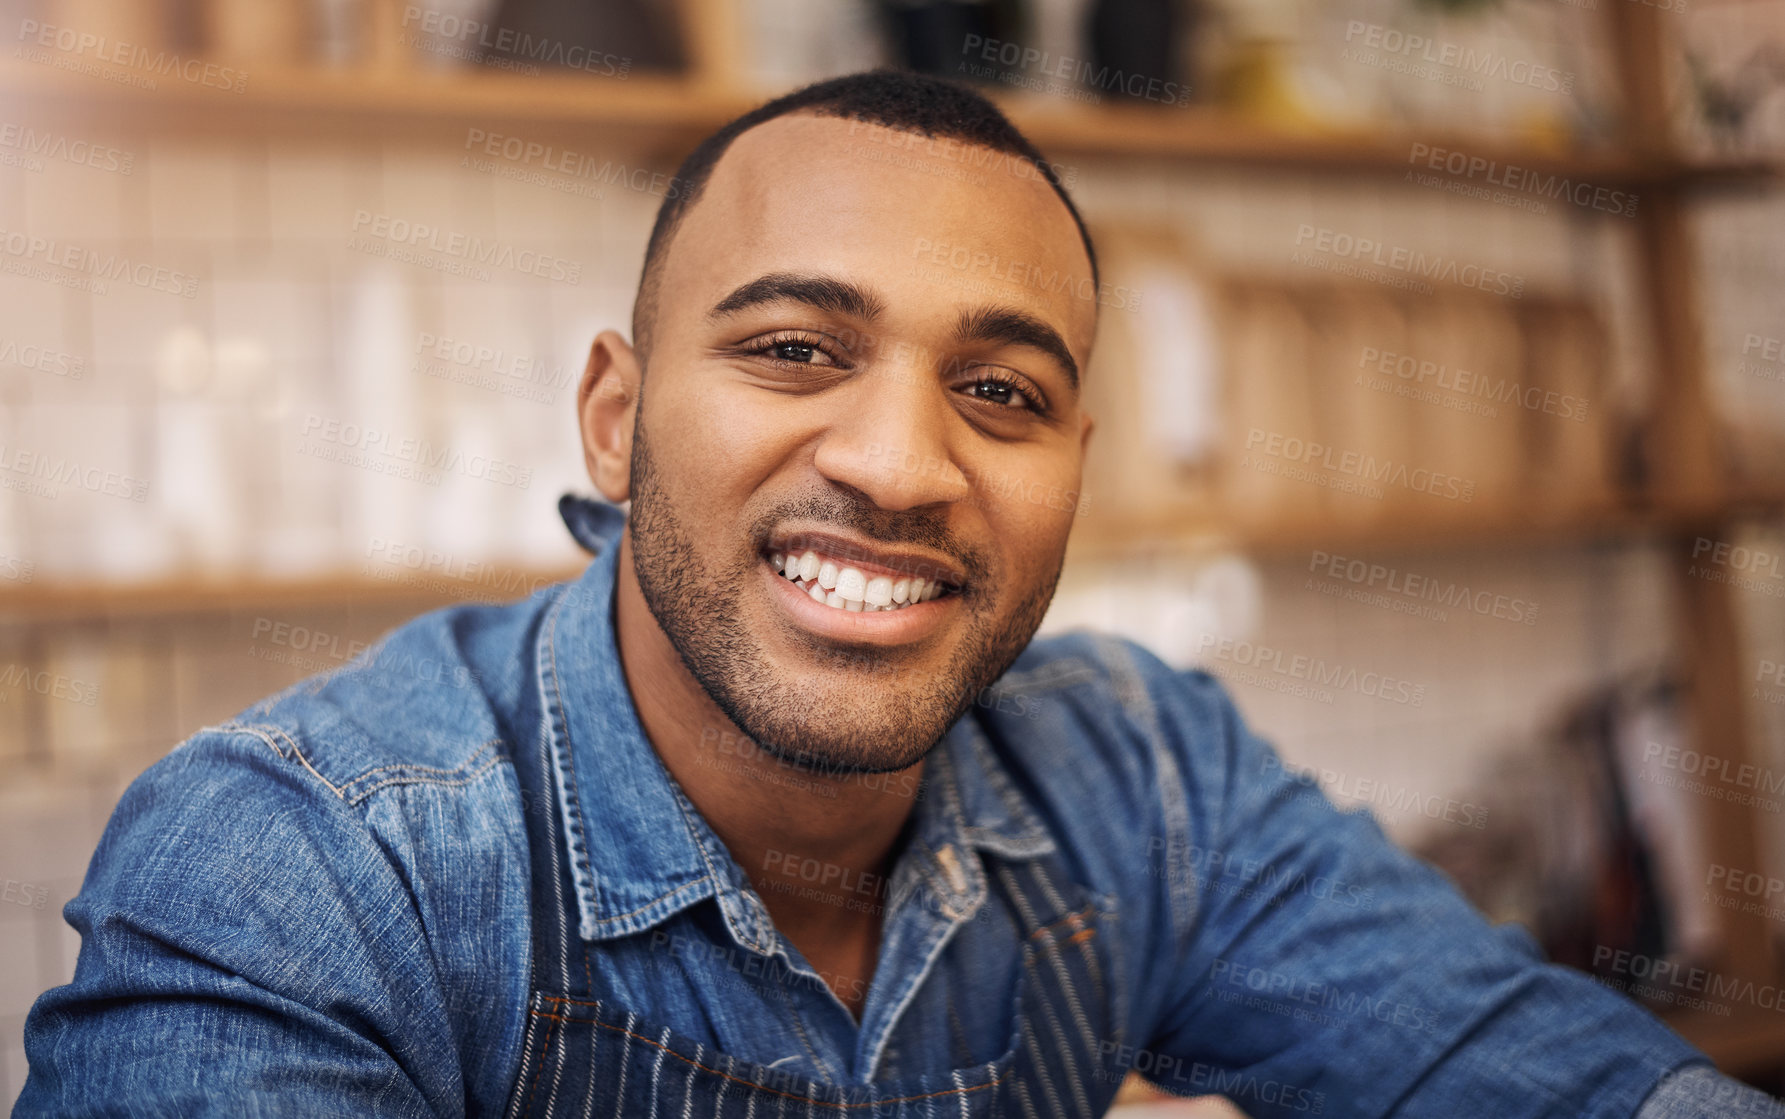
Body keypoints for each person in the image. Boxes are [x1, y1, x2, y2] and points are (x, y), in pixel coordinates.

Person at [17, 70, 1781, 1118]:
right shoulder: (306, 867)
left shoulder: (1139, 779)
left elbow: (1546, 1076)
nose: (901, 463)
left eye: (1002, 392)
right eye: (794, 349)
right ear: (617, 423)